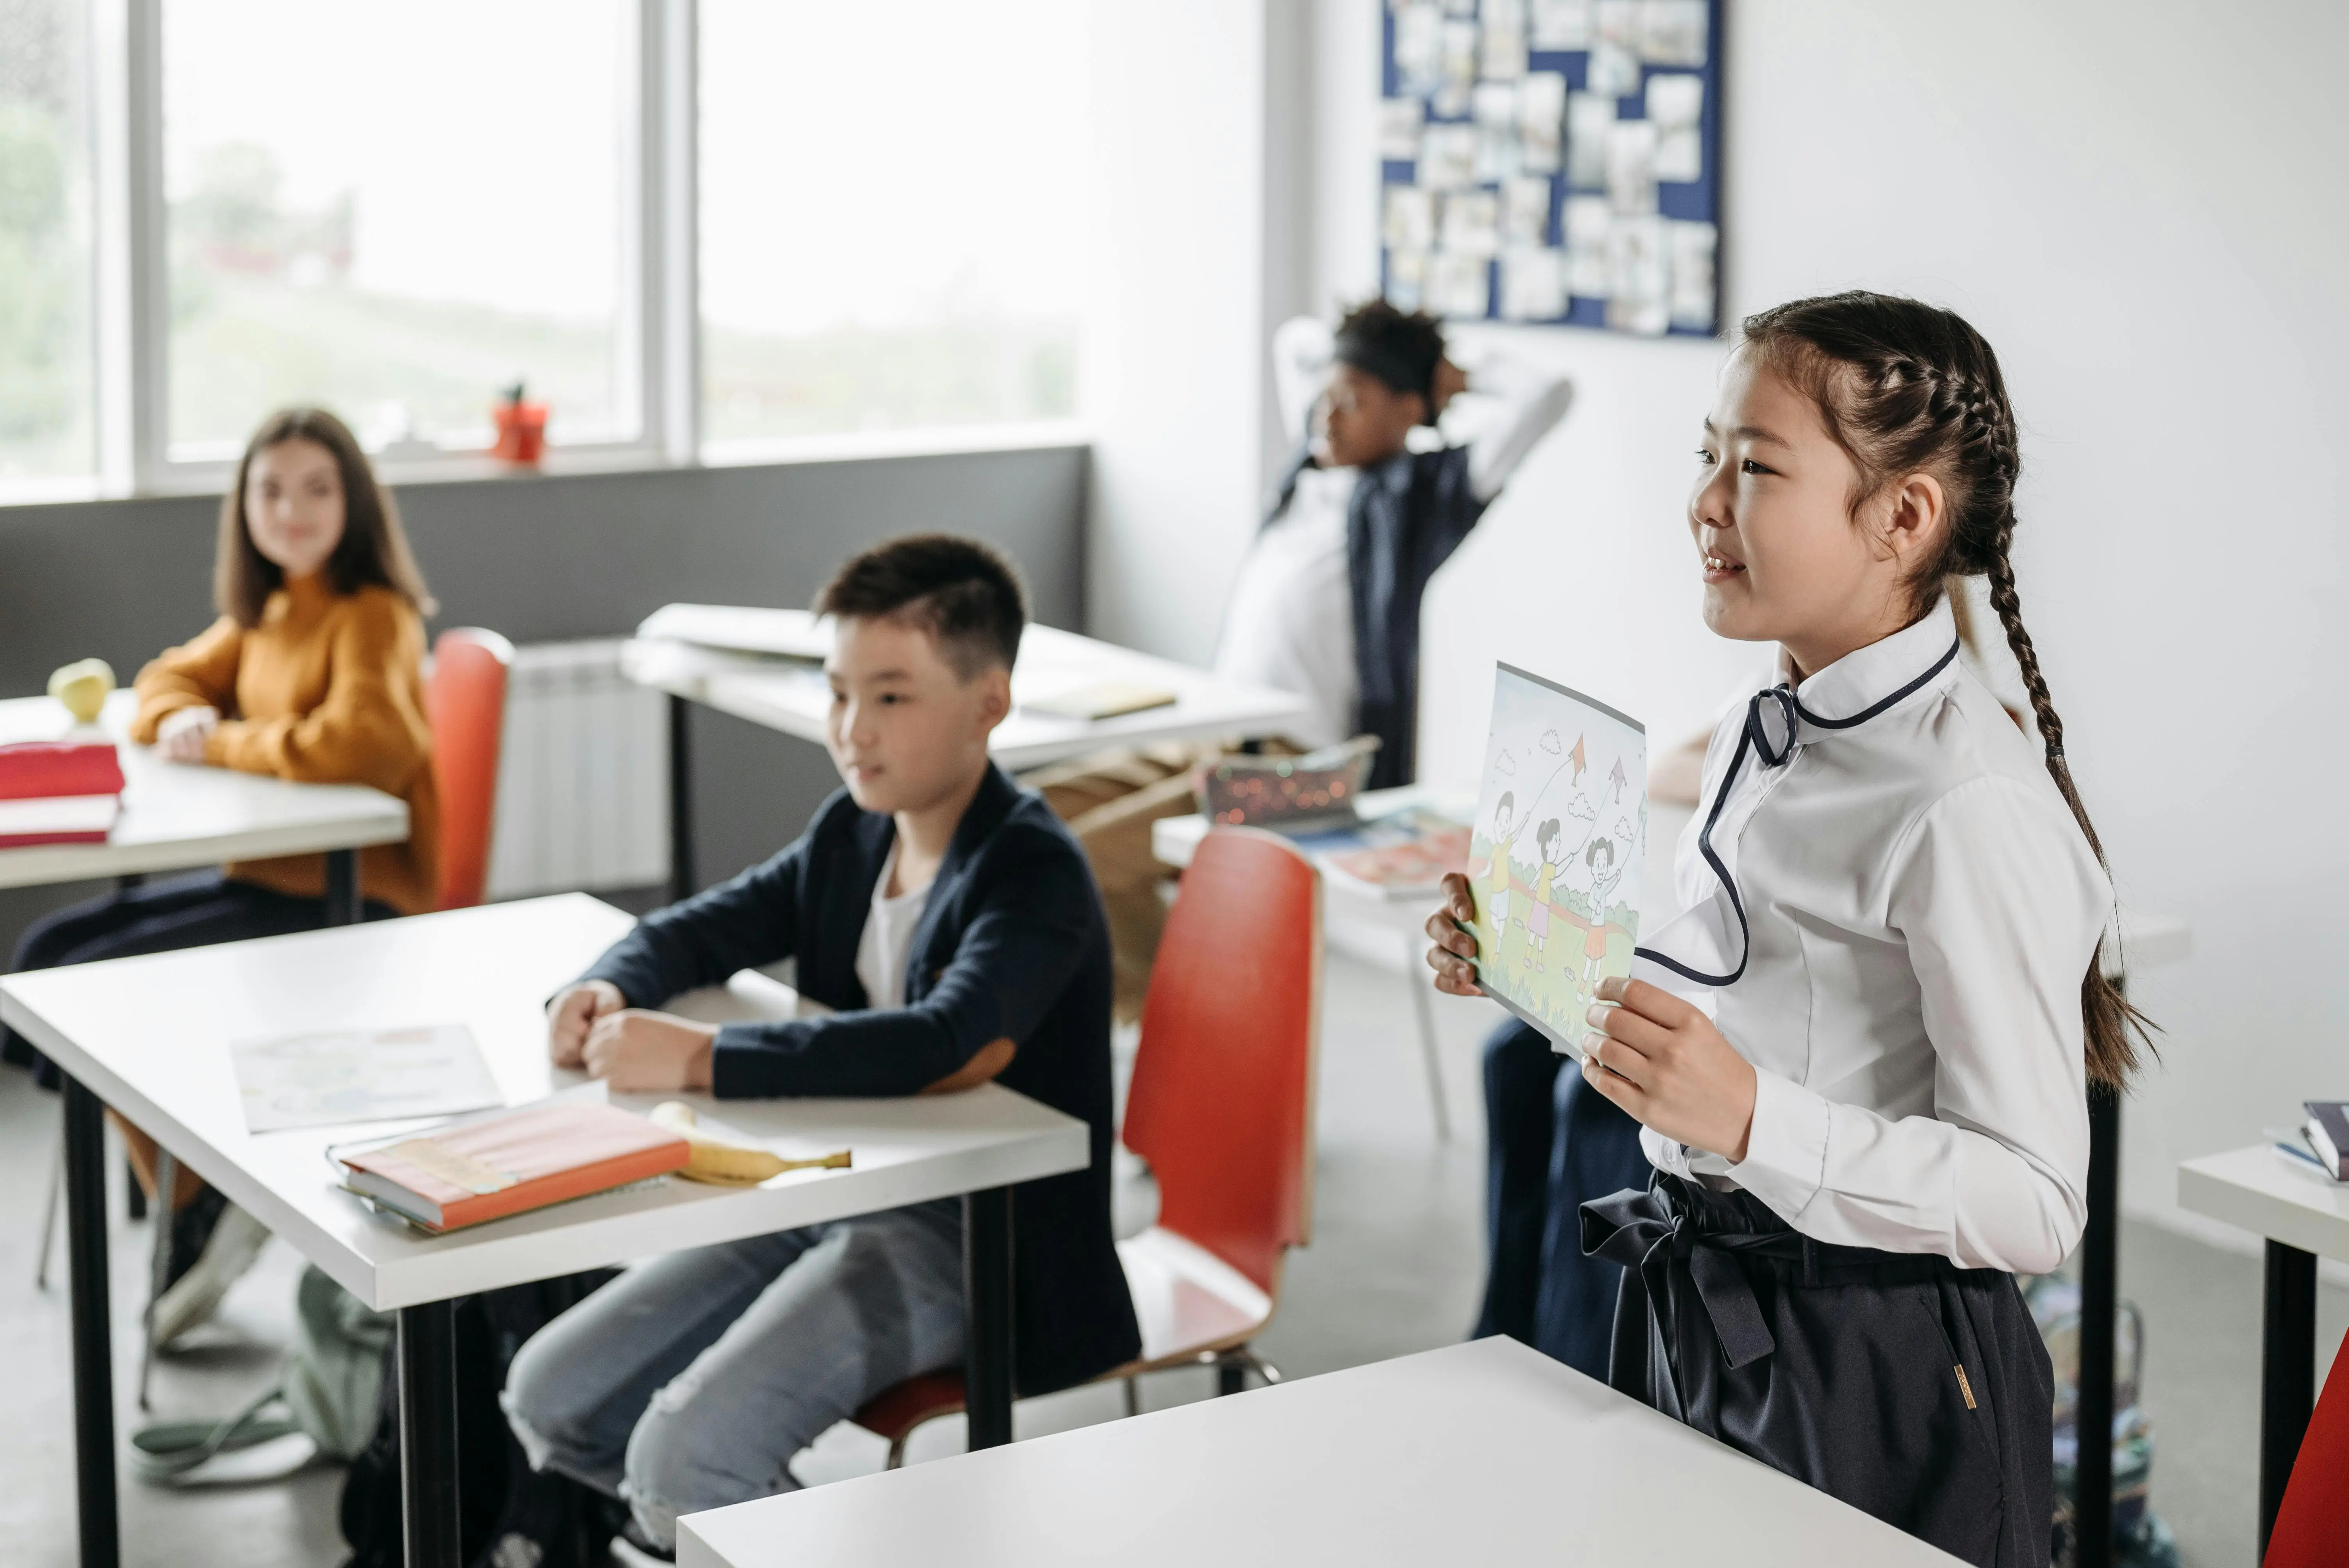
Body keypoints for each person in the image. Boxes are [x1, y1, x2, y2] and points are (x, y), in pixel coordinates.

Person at [1426, 291, 2145, 1567]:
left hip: (1875, 1368)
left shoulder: (1959, 800)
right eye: (1704, 454)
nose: (1704, 501)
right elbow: (1753, 981)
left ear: (1902, 518)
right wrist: (1543, 964)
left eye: (1752, 466)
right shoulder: (1772, 715)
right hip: (1708, 1298)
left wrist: (1753, 1116)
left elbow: (2037, 1201)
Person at [501, 534, 1140, 1556]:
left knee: (684, 1463)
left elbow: (955, 1043)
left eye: (892, 697)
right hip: (836, 1190)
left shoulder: (1032, 869)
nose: (853, 730)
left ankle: (712, 1525)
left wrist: (702, 1059)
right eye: (839, 694)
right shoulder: (855, 831)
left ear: (990, 703)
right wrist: (604, 984)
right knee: (552, 1394)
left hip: (975, 1242)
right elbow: (705, 927)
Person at [2, 406, 438, 1343]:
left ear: (355, 503)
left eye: (317, 489)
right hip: (268, 883)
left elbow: (367, 741)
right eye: (270, 490)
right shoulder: (271, 609)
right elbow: (161, 682)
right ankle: (186, 1192)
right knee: (43, 958)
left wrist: (228, 742)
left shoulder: (371, 611)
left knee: (86, 991)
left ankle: (192, 1199)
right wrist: (183, 722)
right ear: (243, 507)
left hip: (352, 899)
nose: (291, 510)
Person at [1025, 299, 1573, 1020]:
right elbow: (1295, 342)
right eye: (1327, 395)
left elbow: (1548, 395)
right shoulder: (1309, 467)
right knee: (1032, 821)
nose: (1328, 412)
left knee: (1086, 858)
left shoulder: (1423, 497)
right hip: (1213, 731)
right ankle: (1160, 1006)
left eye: (1355, 400)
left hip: (1304, 764)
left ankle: (1175, 1019)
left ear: (1410, 410)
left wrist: (1452, 375)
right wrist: (1365, 352)